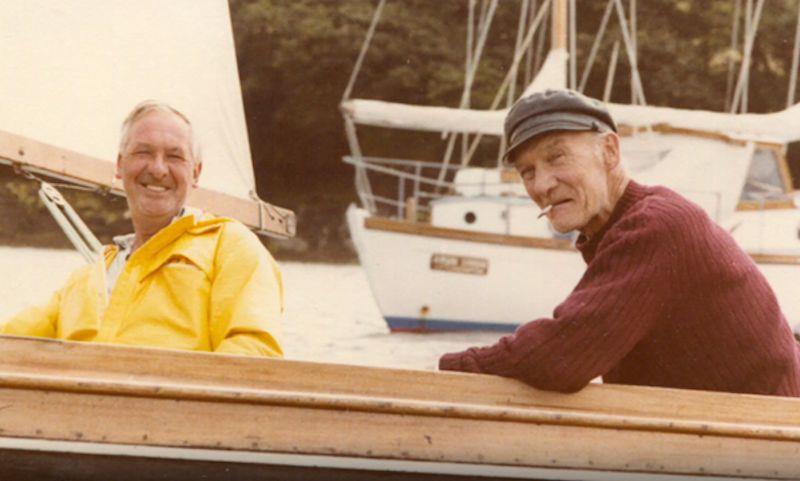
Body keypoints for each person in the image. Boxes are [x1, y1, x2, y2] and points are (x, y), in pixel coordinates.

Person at [439, 89, 800, 396]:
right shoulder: (623, 228)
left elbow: (563, 354)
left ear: (610, 151)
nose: (541, 185)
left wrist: (449, 369)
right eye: (528, 171)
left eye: (556, 157)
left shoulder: (656, 225)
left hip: (779, 439)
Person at [1, 101, 283, 357]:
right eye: (143, 152)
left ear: (195, 173)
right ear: (120, 166)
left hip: (175, 410)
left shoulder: (231, 246)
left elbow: (254, 353)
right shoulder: (88, 278)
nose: (158, 169)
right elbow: (9, 342)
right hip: (82, 409)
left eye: (174, 157)